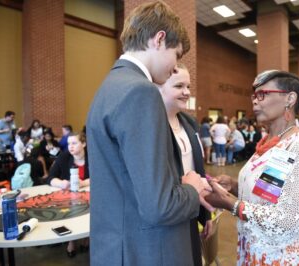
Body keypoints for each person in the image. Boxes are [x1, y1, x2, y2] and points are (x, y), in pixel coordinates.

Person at [86, 2, 212, 265]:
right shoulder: (141, 92)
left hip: (119, 245)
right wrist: (192, 187)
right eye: (176, 55)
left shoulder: (109, 86)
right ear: (159, 39)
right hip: (147, 250)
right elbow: (160, 206)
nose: (174, 66)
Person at [205, 70, 299, 265]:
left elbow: (287, 219)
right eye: (254, 95)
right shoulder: (270, 142)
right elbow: (269, 192)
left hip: (285, 257)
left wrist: (230, 203)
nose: (254, 101)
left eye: (262, 94)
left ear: (290, 98)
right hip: (256, 251)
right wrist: (235, 186)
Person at [158, 63, 213, 266]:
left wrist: (206, 214)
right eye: (179, 86)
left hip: (191, 206)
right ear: (159, 87)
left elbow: (198, 171)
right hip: (170, 210)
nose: (186, 92)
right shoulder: (154, 126)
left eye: (188, 87)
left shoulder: (189, 124)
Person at [47, 132, 90, 257]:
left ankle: (86, 237)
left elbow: (101, 175)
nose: (70, 146)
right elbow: (49, 178)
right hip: (69, 196)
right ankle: (71, 240)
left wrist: (84, 183)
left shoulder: (92, 156)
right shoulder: (64, 156)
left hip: (90, 195)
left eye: (74, 143)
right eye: (69, 144)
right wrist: (61, 183)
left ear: (84, 144)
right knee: (71, 211)